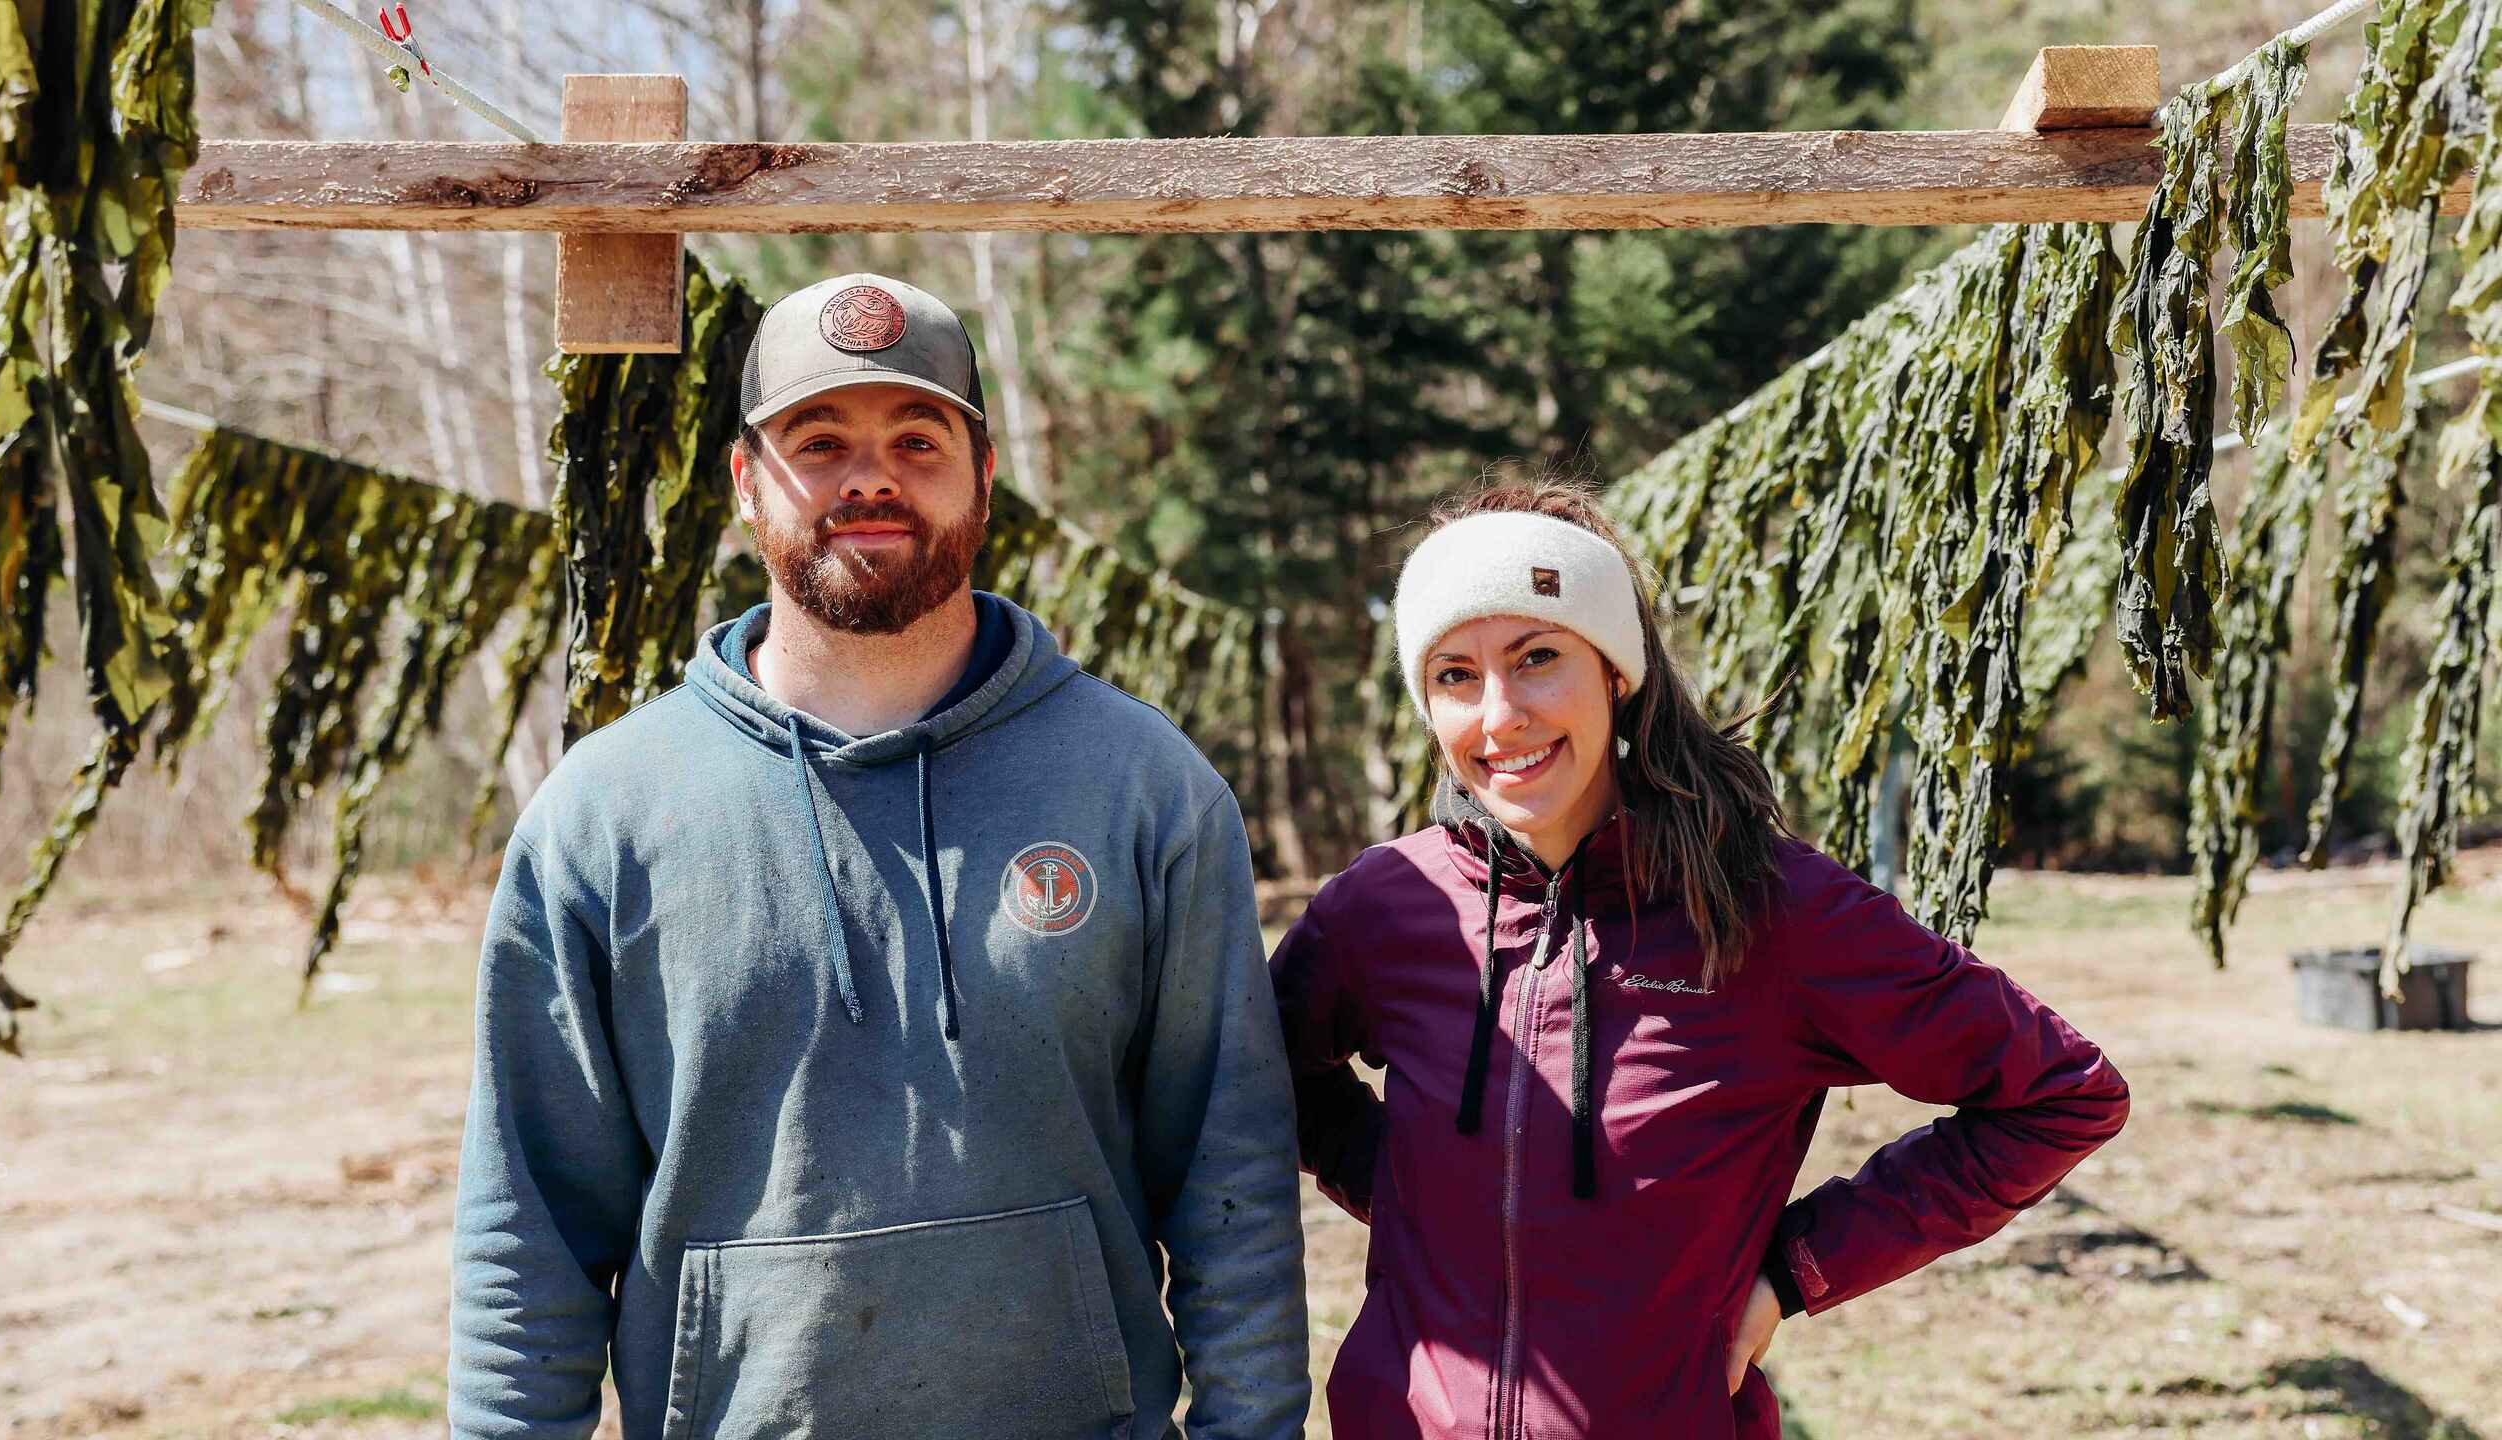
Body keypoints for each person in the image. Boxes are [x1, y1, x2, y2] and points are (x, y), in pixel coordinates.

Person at [448, 272, 1310, 1440]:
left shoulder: (1144, 788)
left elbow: (1232, 1185)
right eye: (820, 440)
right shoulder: (604, 818)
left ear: (983, 476)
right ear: (748, 481)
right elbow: (527, 1233)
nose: (871, 478)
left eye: (918, 437)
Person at [1271, 477, 2131, 1439]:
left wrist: (1792, 1274)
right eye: (1455, 676)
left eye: (1538, 657)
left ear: (1616, 673)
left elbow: (2061, 1094)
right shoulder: (1387, 907)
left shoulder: (1770, 908)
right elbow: (1274, 1071)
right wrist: (1407, 1188)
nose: (1500, 715)